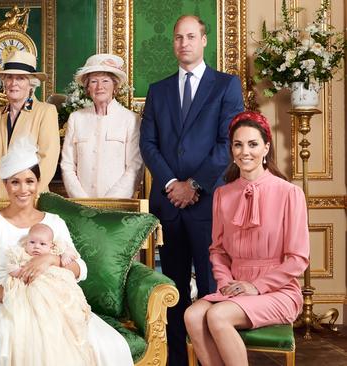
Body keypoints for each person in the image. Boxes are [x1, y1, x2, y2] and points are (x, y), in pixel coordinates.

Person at [138, 15, 244, 365]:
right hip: (168, 204)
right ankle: (175, 360)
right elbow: (149, 144)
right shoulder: (158, 90)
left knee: (212, 289)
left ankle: (210, 358)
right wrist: (172, 184)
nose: (183, 43)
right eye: (178, 37)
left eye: (190, 36)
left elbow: (227, 142)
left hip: (208, 203)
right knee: (172, 288)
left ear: (204, 40)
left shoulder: (226, 85)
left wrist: (193, 185)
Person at [0, 136, 134, 366]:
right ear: (5, 185)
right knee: (32, 343)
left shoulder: (54, 222)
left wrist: (52, 259)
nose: (23, 189)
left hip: (59, 303)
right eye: (15, 182)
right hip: (11, 306)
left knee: (107, 344)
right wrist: (26, 299)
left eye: (29, 181)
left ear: (38, 183)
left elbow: (81, 269)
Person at [184, 111, 309, 365]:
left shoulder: (290, 194)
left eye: (253, 144)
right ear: (231, 149)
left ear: (266, 147)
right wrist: (226, 281)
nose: (245, 152)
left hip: (278, 291)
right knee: (193, 316)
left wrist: (257, 286)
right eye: (238, 145)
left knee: (218, 316)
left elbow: (298, 258)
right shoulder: (222, 194)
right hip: (234, 287)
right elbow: (217, 250)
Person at [0, 222, 96, 366]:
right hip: (31, 283)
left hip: (54, 282)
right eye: (32, 242)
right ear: (26, 242)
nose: (36, 246)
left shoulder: (56, 251)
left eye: (42, 244)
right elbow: (10, 267)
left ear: (51, 245)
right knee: (35, 299)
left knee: (64, 299)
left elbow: (75, 261)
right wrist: (20, 272)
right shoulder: (21, 253)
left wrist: (62, 257)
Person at [0, 50, 60, 199]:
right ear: (4, 82)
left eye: (20, 78)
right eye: (9, 78)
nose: (13, 83)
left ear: (31, 83)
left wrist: (30, 193)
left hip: (32, 199)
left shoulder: (46, 112)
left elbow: (48, 159)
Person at [61, 53, 143, 198]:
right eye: (93, 81)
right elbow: (67, 165)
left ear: (115, 86)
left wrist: (112, 201)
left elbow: (135, 166)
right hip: (82, 205)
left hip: (118, 205)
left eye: (105, 81)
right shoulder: (76, 119)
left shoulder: (130, 119)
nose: (100, 87)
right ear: (87, 88)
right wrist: (81, 200)